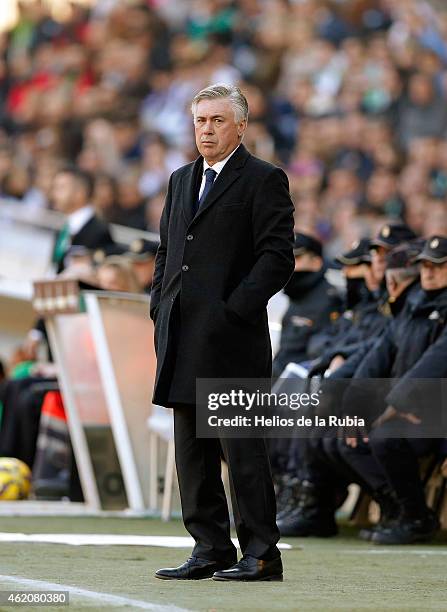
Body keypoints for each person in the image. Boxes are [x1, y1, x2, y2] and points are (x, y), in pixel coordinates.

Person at [150, 84, 295, 581]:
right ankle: (209, 547)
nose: (206, 130)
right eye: (199, 121)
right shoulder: (179, 179)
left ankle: (261, 553)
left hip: (233, 343)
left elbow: (278, 258)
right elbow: (166, 251)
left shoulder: (264, 179)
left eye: (215, 120)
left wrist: (233, 311)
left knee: (243, 452)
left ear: (240, 126)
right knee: (192, 453)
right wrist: (159, 305)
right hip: (181, 337)